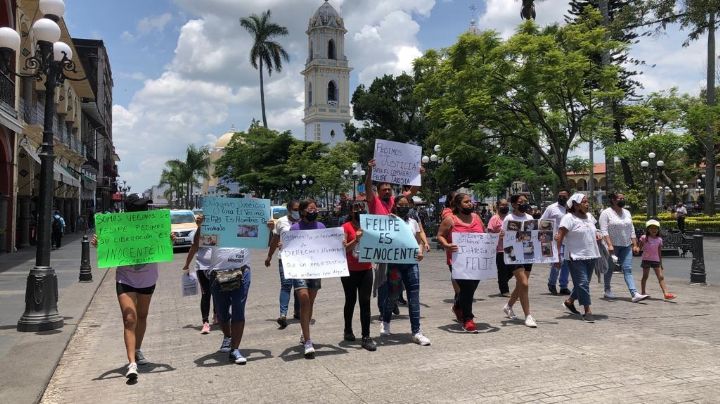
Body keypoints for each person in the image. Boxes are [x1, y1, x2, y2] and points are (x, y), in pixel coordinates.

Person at [91, 193, 169, 381]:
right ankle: (132, 362)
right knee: (129, 318)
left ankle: (138, 349)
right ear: (130, 211)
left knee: (142, 315)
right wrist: (98, 244)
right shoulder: (118, 227)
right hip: (125, 278)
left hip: (148, 278)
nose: (142, 211)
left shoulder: (153, 226)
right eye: (139, 208)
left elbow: (162, 243)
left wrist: (169, 239)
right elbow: (108, 244)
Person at [184, 214, 253, 365]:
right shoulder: (217, 231)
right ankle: (228, 336)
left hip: (242, 272)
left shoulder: (244, 229)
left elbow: (262, 240)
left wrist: (268, 229)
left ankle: (235, 349)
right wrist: (201, 227)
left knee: (238, 309)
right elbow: (198, 243)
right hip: (217, 275)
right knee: (221, 314)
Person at [379, 195, 430, 345]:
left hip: (411, 263)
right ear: (395, 205)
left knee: (414, 297)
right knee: (393, 296)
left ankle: (416, 331)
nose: (403, 207)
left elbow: (418, 241)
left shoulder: (413, 222)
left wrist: (420, 251)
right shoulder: (388, 221)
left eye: (406, 204)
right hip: (394, 264)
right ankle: (386, 320)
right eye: (400, 205)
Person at [437, 193, 486, 333]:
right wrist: (446, 245)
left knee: (471, 286)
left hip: (476, 260)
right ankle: (468, 319)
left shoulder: (477, 218)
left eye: (470, 201)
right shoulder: (450, 219)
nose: (470, 204)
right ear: (458, 205)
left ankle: (458, 305)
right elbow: (439, 235)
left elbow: (484, 234)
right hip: (457, 260)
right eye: (466, 202)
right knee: (467, 287)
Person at [557, 194, 601, 322]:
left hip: (591, 254)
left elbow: (594, 230)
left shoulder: (590, 217)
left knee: (583, 283)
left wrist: (598, 234)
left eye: (587, 202)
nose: (587, 204)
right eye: (584, 202)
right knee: (582, 283)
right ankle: (587, 310)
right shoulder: (568, 218)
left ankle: (570, 301)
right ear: (575, 205)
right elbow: (560, 237)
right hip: (575, 256)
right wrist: (557, 256)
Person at [291, 199, 326, 358]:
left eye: (315, 209)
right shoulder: (295, 228)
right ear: (303, 211)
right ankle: (308, 341)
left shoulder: (321, 227)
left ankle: (304, 331)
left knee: (310, 302)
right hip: (299, 269)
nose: (314, 212)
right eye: (311, 209)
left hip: (315, 269)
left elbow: (328, 247)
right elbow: (288, 247)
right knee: (304, 298)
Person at [341, 201, 377, 351]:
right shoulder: (345, 227)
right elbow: (343, 249)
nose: (360, 211)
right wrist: (356, 239)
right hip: (349, 270)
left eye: (362, 208)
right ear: (351, 212)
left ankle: (366, 336)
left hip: (366, 269)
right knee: (350, 300)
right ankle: (348, 329)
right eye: (356, 208)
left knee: (365, 301)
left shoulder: (370, 226)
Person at [599, 193, 648, 303]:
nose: (622, 200)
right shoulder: (606, 213)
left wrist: (635, 244)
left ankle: (634, 293)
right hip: (612, 246)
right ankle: (607, 289)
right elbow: (604, 230)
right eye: (619, 198)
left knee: (627, 269)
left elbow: (631, 229)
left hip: (626, 245)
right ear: (613, 200)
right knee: (610, 269)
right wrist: (609, 245)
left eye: (623, 198)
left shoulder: (627, 212)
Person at [502, 194, 537, 328]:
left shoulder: (529, 218)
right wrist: (501, 235)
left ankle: (509, 305)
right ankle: (528, 315)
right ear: (514, 205)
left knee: (522, 284)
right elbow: (504, 235)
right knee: (524, 283)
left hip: (528, 251)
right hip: (514, 253)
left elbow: (534, 234)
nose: (524, 204)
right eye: (521, 202)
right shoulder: (509, 218)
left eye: (525, 201)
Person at [265, 200, 301, 329]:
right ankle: (283, 315)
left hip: (302, 259)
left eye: (299, 209)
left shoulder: (305, 221)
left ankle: (298, 311)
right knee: (286, 285)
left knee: (300, 286)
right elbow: (275, 240)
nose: (298, 211)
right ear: (289, 210)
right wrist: (269, 256)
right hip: (285, 258)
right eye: (295, 209)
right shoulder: (281, 221)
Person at [182, 215, 215, 334]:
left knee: (219, 293)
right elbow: (195, 245)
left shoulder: (223, 230)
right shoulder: (200, 230)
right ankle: (205, 322)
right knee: (206, 294)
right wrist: (187, 263)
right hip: (203, 267)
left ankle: (217, 315)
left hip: (218, 266)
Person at [541, 190, 571, 296]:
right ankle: (552, 283)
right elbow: (543, 221)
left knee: (567, 262)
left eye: (564, 196)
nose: (562, 198)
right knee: (558, 261)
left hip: (569, 239)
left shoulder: (570, 208)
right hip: (556, 239)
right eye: (560, 196)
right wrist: (548, 234)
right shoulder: (551, 208)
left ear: (568, 197)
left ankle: (563, 286)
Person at [638, 220, 677, 300]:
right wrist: (636, 249)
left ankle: (666, 293)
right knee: (645, 276)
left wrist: (661, 263)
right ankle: (643, 292)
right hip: (646, 259)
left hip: (656, 260)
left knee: (661, 277)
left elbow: (659, 252)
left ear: (658, 229)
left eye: (655, 228)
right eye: (652, 228)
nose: (654, 230)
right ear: (648, 229)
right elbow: (639, 247)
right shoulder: (644, 238)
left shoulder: (659, 239)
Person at [487, 199, 512, 297]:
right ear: (498, 206)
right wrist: (498, 235)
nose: (505, 207)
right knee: (502, 270)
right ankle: (504, 290)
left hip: (511, 248)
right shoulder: (494, 219)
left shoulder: (510, 218)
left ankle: (502, 281)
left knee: (513, 269)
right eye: (503, 205)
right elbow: (489, 234)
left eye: (506, 205)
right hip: (500, 249)